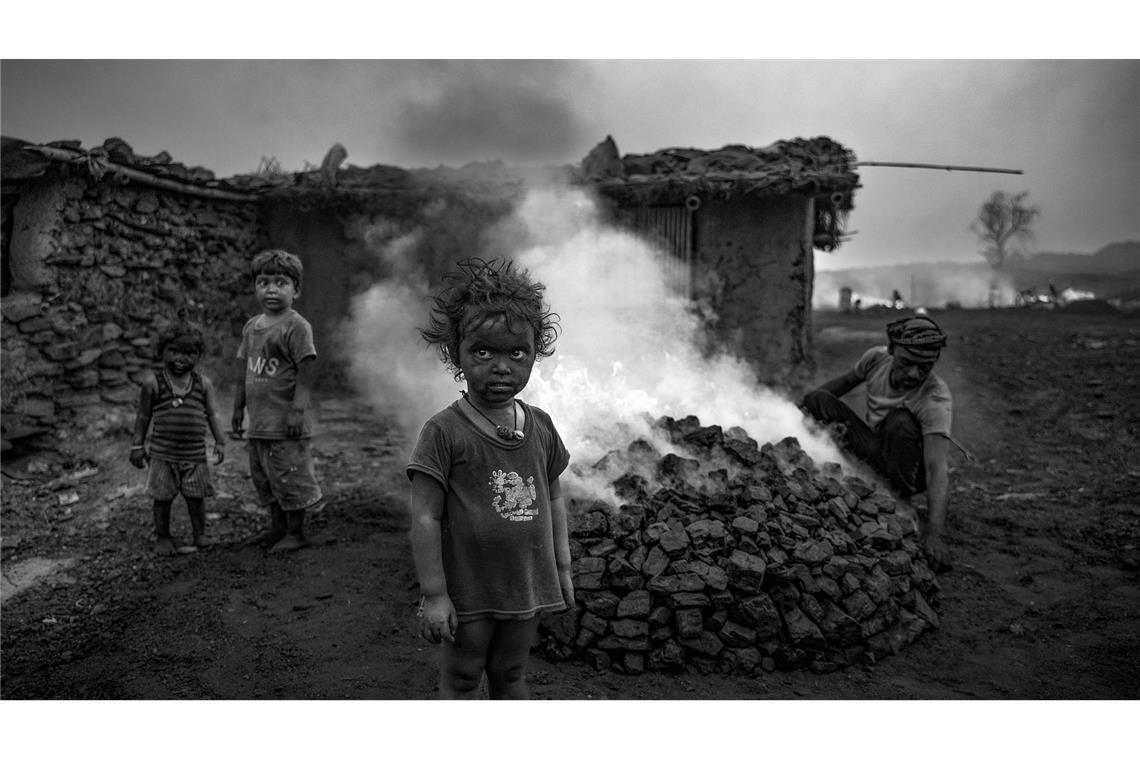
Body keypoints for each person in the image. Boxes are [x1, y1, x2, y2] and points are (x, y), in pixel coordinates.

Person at [407, 257, 573, 699]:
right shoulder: (444, 432)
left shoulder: (540, 425)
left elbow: (553, 496)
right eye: (483, 351)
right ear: (455, 352)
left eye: (516, 353)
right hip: (469, 591)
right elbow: (424, 517)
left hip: (526, 585)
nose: (501, 366)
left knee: (511, 674)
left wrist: (561, 569)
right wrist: (435, 595)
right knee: (463, 676)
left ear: (536, 352)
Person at [801, 315, 953, 571]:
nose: (914, 373)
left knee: (900, 421)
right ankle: (868, 483)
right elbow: (840, 386)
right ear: (892, 350)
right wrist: (796, 410)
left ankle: (899, 499)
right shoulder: (876, 359)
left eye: (924, 367)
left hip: (910, 471)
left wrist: (935, 534)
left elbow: (936, 469)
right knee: (817, 399)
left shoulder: (935, 397)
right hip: (877, 450)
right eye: (906, 363)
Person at [232, 249, 323, 552]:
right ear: (255, 286)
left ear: (295, 290)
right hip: (259, 423)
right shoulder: (251, 327)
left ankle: (296, 533)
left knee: (290, 476)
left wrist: (297, 411)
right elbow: (245, 369)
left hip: (286, 423)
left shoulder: (296, 326)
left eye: (281, 282)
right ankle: (277, 528)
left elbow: (307, 370)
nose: (271, 289)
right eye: (264, 282)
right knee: (266, 477)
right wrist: (237, 409)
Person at [130, 322, 226, 555]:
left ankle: (200, 535)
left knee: (196, 497)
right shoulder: (153, 383)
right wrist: (137, 445)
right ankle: (163, 537)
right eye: (174, 350)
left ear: (199, 355)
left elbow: (212, 414)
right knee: (162, 498)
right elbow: (143, 415)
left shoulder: (203, 384)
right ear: (161, 350)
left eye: (190, 352)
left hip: (194, 453)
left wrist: (220, 441)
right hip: (163, 453)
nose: (181, 358)